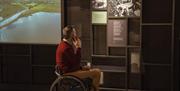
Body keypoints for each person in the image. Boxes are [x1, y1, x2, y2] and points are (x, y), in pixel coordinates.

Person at [56, 25, 101, 91]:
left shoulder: (64, 44)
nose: (76, 35)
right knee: (97, 72)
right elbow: (76, 62)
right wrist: (79, 47)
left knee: (94, 71)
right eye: (75, 33)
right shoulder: (66, 48)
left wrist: (82, 68)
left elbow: (73, 63)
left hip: (69, 70)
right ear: (72, 35)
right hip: (68, 74)